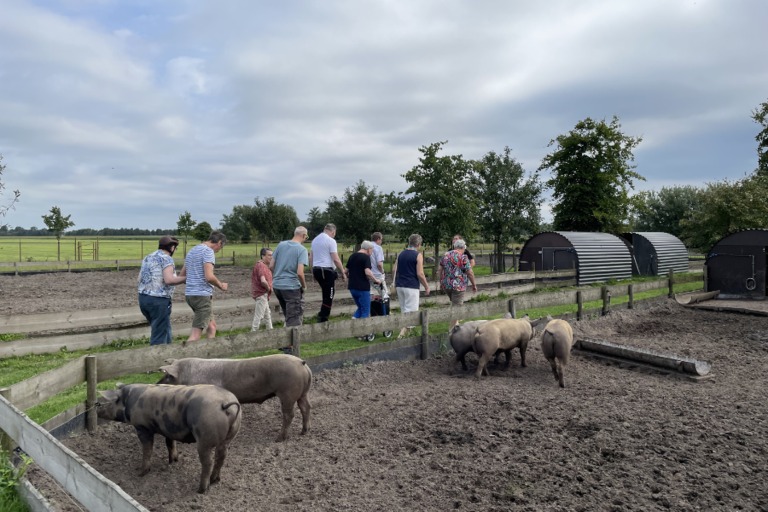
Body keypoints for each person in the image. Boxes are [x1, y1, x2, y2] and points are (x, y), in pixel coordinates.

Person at [137, 236, 186, 345]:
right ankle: (156, 359)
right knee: (159, 334)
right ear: (172, 247)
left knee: (164, 328)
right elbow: (169, 280)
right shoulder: (166, 259)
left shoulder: (148, 257)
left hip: (143, 298)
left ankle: (169, 354)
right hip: (159, 300)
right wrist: (186, 278)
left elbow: (139, 279)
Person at [183, 231, 228, 343]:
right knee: (195, 336)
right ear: (219, 242)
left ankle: (209, 356)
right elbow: (209, 277)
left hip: (190, 295)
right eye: (220, 247)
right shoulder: (208, 251)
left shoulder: (193, 250)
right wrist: (221, 285)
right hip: (202, 296)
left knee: (212, 327)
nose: (218, 250)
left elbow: (182, 275)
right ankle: (182, 359)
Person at [391, 233, 430, 338]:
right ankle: (401, 336)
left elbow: (394, 269)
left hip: (400, 285)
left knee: (404, 311)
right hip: (411, 286)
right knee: (411, 312)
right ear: (418, 244)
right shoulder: (418, 255)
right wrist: (426, 286)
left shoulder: (401, 254)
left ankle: (406, 335)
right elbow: (420, 273)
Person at [270, 226, 309, 327]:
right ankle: (292, 343)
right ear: (304, 235)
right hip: (291, 287)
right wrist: (304, 286)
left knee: (288, 315)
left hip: (277, 286)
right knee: (294, 320)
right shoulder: (302, 250)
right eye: (306, 237)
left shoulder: (281, 245)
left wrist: (278, 275)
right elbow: (300, 273)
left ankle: (287, 339)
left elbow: (271, 265)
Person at [308, 223, 346, 323]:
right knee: (329, 294)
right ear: (333, 232)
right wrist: (343, 271)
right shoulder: (331, 241)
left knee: (327, 293)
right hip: (326, 270)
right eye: (334, 233)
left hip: (317, 269)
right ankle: (323, 317)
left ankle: (322, 313)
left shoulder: (315, 240)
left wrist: (312, 271)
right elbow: (336, 258)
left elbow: (311, 257)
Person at [439, 238, 478, 330]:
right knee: (457, 308)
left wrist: (441, 282)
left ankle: (456, 324)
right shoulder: (463, 257)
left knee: (454, 304)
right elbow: (470, 273)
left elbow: (440, 270)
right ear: (463, 247)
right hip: (458, 286)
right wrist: (474, 285)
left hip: (446, 285)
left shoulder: (445, 255)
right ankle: (451, 331)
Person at [346, 240, 383, 322]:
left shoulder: (352, 256)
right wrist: (376, 280)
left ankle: (353, 324)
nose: (372, 252)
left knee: (360, 308)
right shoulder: (366, 257)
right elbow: (368, 272)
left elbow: (346, 271)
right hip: (362, 288)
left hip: (352, 287)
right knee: (366, 310)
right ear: (369, 249)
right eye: (372, 250)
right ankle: (364, 333)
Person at [251, 247, 274, 331]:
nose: (271, 257)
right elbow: (263, 281)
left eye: (272, 255)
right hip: (261, 294)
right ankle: (252, 335)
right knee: (259, 317)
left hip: (263, 295)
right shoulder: (261, 265)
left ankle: (271, 333)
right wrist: (269, 289)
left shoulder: (263, 265)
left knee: (267, 315)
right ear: (263, 256)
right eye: (269, 255)